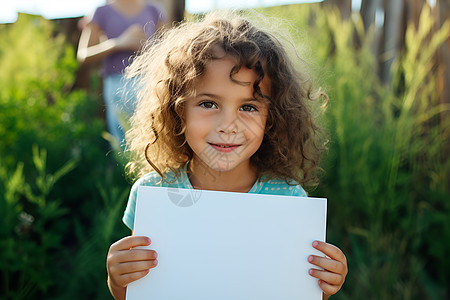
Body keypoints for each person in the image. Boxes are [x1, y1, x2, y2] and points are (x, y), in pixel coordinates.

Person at [106, 11, 348, 300]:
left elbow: (292, 290)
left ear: (273, 117)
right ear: (177, 109)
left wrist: (323, 285)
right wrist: (118, 280)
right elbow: (141, 290)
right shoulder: (152, 192)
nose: (228, 126)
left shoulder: (287, 198)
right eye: (208, 103)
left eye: (248, 107)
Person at [77, 0, 167, 148]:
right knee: (122, 145)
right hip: (116, 86)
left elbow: (168, 48)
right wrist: (118, 43)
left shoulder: (153, 10)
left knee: (154, 140)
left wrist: (147, 47)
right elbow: (83, 55)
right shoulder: (101, 12)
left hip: (149, 84)